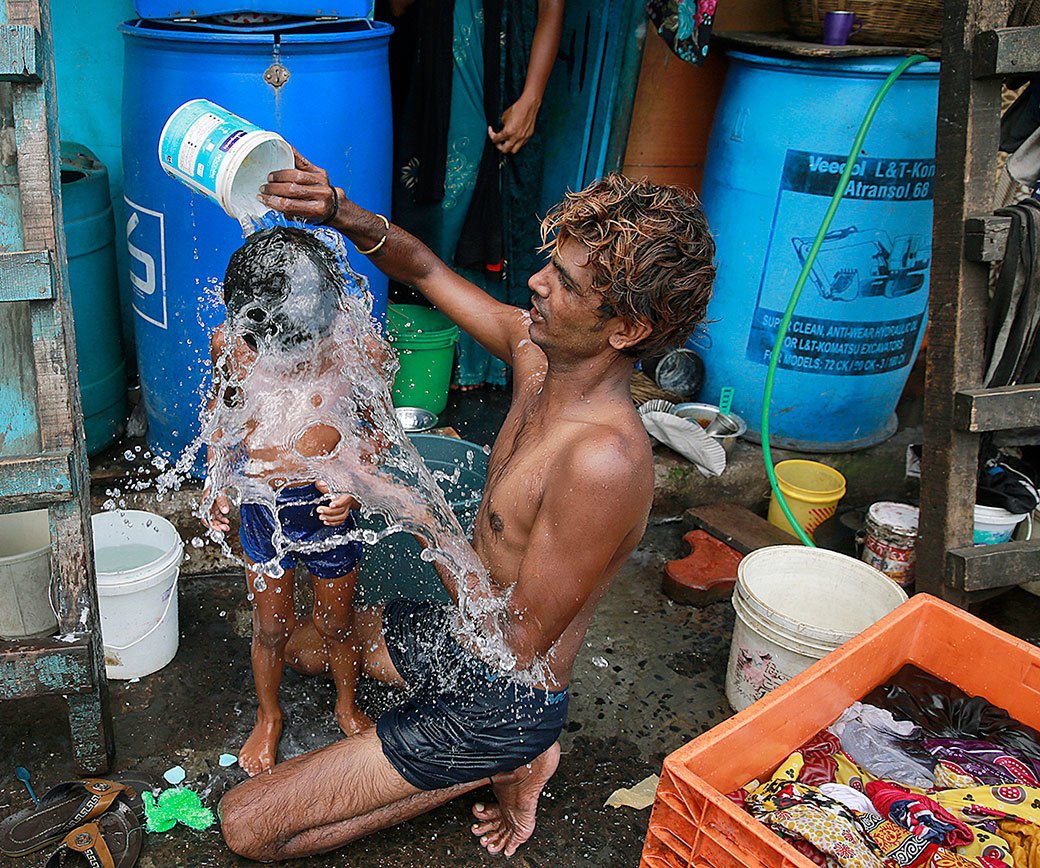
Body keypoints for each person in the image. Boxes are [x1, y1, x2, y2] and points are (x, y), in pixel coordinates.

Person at [213, 153, 716, 859]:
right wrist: (338, 211)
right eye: (551, 263)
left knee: (247, 826)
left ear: (626, 329)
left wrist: (404, 504)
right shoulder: (534, 354)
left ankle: (509, 759)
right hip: (461, 634)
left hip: (503, 696)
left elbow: (514, 643)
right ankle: (486, 757)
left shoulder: (602, 463)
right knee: (303, 646)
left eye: (564, 282)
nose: (536, 282)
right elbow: (421, 270)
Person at [204, 226, 385, 776]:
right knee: (271, 627)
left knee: (336, 622)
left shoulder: (359, 349)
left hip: (325, 507)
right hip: (262, 504)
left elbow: (376, 433)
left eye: (295, 351)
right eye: (268, 351)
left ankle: (346, 704)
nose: (280, 363)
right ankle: (269, 716)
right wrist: (217, 482)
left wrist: (351, 482)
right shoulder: (233, 347)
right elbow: (222, 419)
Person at [384, 0, 565, 390]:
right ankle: (424, 361)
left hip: (501, 76)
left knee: (485, 213)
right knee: (430, 211)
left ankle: (474, 367)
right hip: (432, 79)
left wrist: (531, 96)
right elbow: (397, 9)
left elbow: (552, 7)